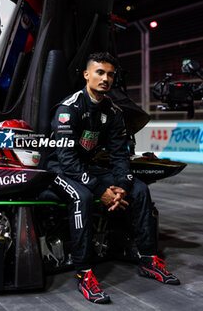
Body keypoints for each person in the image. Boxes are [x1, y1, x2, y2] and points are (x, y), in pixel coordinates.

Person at [46, 52, 180, 304]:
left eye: (109, 74)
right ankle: (84, 272)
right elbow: (66, 160)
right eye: (99, 72)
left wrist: (121, 186)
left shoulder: (114, 111)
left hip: (86, 166)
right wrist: (100, 190)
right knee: (82, 196)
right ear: (87, 75)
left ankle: (149, 259)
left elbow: (120, 155)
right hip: (58, 169)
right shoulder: (68, 109)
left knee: (139, 190)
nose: (105, 78)